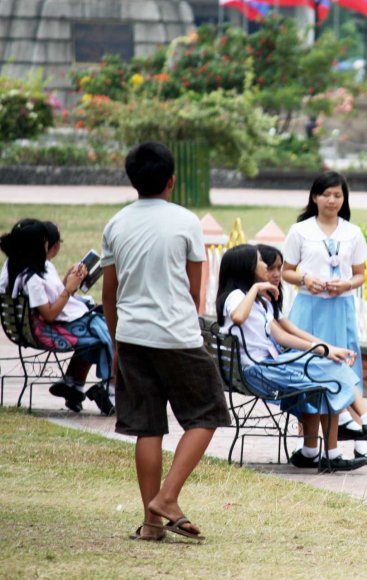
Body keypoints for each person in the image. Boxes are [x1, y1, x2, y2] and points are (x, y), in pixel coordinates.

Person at [102, 142, 231, 542]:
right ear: (171, 181)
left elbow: (110, 292)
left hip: (131, 334)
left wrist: (117, 339)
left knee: (148, 427)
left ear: (131, 180)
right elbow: (195, 291)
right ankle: (168, 498)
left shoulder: (116, 223)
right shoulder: (186, 221)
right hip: (176, 333)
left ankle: (151, 525)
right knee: (207, 413)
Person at [282, 172, 367, 466]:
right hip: (309, 307)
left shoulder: (352, 232)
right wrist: (305, 279)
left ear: (344, 199)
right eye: (327, 194)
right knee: (309, 369)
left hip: (340, 309)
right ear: (315, 197)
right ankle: (311, 445)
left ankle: (347, 444)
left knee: (343, 365)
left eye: (338, 195)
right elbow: (286, 271)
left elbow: (361, 273)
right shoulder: (300, 231)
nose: (332, 200)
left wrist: (346, 284)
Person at [218, 244, 367, 472]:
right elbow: (238, 317)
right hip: (258, 372)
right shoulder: (237, 296)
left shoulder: (260, 302)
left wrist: (323, 349)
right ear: (245, 267)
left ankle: (316, 450)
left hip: (265, 368)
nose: (266, 268)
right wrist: (256, 287)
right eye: (261, 262)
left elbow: (283, 336)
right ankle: (335, 447)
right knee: (326, 381)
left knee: (323, 368)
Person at [0, 218, 114, 415]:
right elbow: (50, 315)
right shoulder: (32, 278)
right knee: (105, 329)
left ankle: (74, 385)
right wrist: (68, 290)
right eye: (45, 241)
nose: (49, 245)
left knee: (95, 322)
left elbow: (48, 300)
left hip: (35, 327)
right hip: (48, 331)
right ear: (37, 246)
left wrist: (68, 282)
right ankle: (108, 390)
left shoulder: (18, 268)